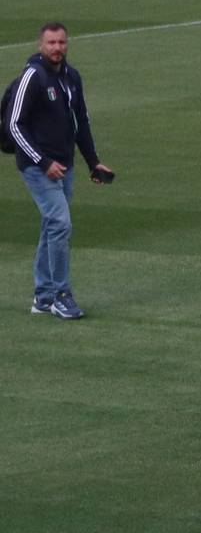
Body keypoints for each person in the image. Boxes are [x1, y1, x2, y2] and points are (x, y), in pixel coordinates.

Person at [7, 23, 109, 320]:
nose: (57, 48)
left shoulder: (71, 77)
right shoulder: (32, 77)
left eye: (62, 42)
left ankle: (43, 296)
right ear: (41, 44)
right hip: (37, 167)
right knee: (60, 223)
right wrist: (42, 162)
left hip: (64, 164)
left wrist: (93, 162)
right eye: (51, 42)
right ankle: (61, 295)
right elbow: (15, 125)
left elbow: (82, 123)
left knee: (51, 226)